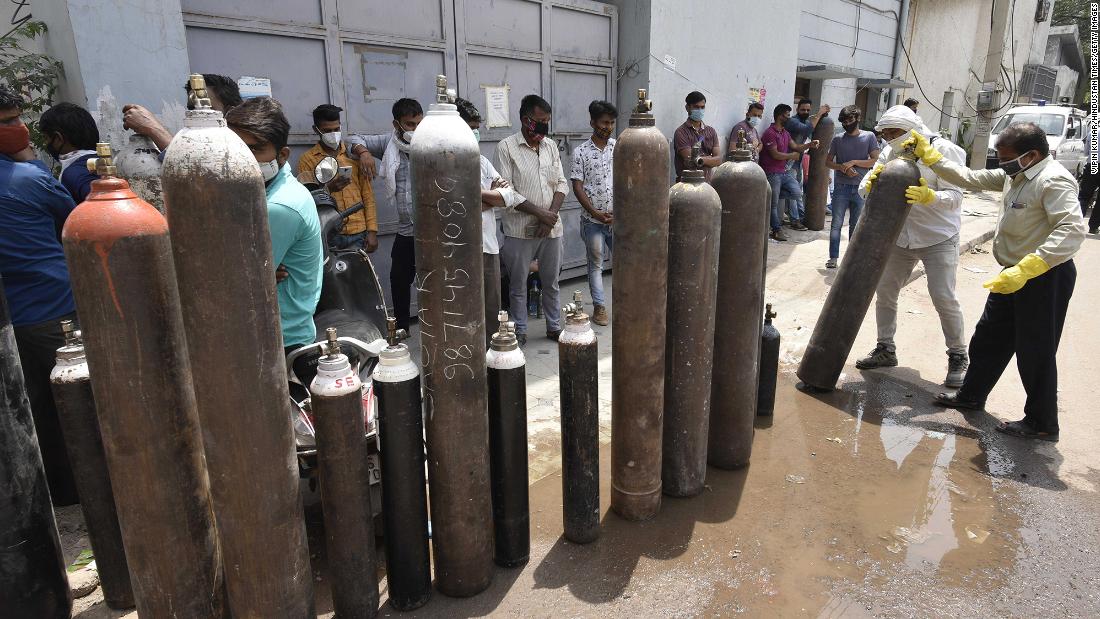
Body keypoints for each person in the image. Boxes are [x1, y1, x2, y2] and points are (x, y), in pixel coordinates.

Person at [907, 123, 1086, 441]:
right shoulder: (1014, 175)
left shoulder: (1053, 180)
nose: (1000, 163)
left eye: (1005, 158)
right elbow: (969, 178)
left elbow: (1071, 229)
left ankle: (1042, 423)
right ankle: (972, 395)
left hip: (1044, 276)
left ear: (1031, 155)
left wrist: (1030, 266)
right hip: (1013, 274)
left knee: (1035, 350)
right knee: (989, 338)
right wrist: (931, 158)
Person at [0, 84, 80, 506]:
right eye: (9, 121)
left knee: (32, 410)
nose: (19, 128)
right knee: (75, 406)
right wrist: (29, 160)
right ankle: (84, 493)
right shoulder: (28, 179)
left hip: (14, 319)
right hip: (56, 312)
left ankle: (57, 496)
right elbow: (74, 220)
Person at [856, 104, 969, 388]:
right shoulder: (891, 151)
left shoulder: (942, 150)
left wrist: (931, 197)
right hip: (901, 235)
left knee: (943, 295)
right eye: (886, 133)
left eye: (895, 132)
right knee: (885, 292)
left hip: (938, 236)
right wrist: (869, 185)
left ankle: (958, 355)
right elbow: (867, 184)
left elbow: (957, 195)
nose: (889, 137)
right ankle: (885, 348)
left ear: (912, 129)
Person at [224, 97, 323, 353]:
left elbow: (237, 282)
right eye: (236, 148)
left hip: (278, 338)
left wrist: (243, 269)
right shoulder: (263, 191)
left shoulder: (278, 206)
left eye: (255, 149)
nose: (243, 158)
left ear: (282, 155)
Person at [345, 99, 424, 332]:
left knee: (434, 282)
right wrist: (365, 153)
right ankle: (401, 328)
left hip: (430, 230)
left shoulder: (430, 142)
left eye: (419, 123)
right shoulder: (388, 142)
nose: (415, 130)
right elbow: (352, 139)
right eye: (410, 124)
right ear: (396, 124)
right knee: (399, 280)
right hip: (406, 230)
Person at [495, 94, 568, 346]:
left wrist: (549, 217)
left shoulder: (550, 146)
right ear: (526, 120)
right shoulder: (506, 148)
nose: (544, 126)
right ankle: (520, 330)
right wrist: (539, 213)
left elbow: (561, 183)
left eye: (547, 120)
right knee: (518, 284)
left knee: (551, 282)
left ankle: (554, 326)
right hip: (519, 229)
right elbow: (507, 191)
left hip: (551, 229)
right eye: (539, 120)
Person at [454, 97, 523, 346]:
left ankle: (490, 357)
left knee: (491, 307)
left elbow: (507, 196)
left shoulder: (481, 162)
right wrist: (488, 198)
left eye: (476, 127)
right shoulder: (443, 164)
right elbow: (454, 205)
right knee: (461, 309)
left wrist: (473, 195)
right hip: (459, 251)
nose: (474, 132)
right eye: (469, 127)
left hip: (488, 247)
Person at [297, 104, 378, 252]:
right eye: (327, 131)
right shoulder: (307, 160)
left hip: (358, 232)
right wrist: (329, 189)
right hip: (329, 233)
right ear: (316, 130)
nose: (333, 134)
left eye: (336, 129)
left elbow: (368, 195)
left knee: (359, 274)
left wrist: (372, 231)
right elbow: (307, 200)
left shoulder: (354, 155)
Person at [570, 100, 617, 327]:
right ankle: (599, 306)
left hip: (617, 219)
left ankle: (627, 302)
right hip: (592, 221)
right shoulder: (581, 152)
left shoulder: (619, 148)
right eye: (604, 122)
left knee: (626, 263)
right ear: (592, 123)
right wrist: (595, 213)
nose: (607, 127)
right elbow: (577, 186)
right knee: (596, 264)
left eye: (611, 123)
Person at [122, 73, 243, 151]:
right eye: (192, 109)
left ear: (229, 113)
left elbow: (195, 169)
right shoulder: (194, 142)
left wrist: (152, 128)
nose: (197, 114)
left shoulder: (243, 146)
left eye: (207, 108)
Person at [824, 105, 880, 267]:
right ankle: (833, 258)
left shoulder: (869, 137)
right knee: (836, 223)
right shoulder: (838, 139)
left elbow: (875, 160)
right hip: (841, 187)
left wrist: (854, 162)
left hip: (861, 187)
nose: (847, 123)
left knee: (856, 226)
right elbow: (827, 162)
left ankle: (851, 259)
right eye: (844, 121)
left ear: (857, 119)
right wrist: (842, 167)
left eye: (850, 120)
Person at [760, 103, 819, 241]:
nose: (789, 118)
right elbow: (775, 154)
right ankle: (776, 229)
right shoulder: (770, 133)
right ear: (780, 116)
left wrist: (810, 145)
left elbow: (796, 146)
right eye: (787, 115)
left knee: (796, 192)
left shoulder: (785, 133)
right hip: (772, 172)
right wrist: (791, 156)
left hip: (783, 172)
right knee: (773, 205)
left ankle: (771, 196)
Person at [39, 102, 100, 203]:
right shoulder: (103, 162)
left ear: (58, 139)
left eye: (46, 138)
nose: (46, 143)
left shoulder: (74, 174)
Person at [784, 98, 830, 228]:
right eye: (803, 109)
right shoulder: (793, 121)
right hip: (789, 161)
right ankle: (795, 220)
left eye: (808, 110)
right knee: (794, 192)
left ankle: (800, 216)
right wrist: (819, 113)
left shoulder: (806, 120)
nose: (805, 112)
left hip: (797, 160)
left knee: (799, 190)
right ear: (797, 109)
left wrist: (821, 115)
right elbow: (806, 130)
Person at [673, 91, 723, 182]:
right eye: (696, 107)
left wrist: (701, 160)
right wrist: (710, 158)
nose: (700, 110)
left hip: (707, 184)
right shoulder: (681, 132)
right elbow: (691, 161)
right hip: (686, 185)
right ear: (687, 108)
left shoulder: (711, 131)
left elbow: (719, 160)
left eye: (702, 107)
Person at [1077, 122, 1100, 234]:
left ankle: (1075, 224)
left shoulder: (1093, 133)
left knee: (1084, 196)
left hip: (1093, 165)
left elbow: (1086, 152)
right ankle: (1093, 227)